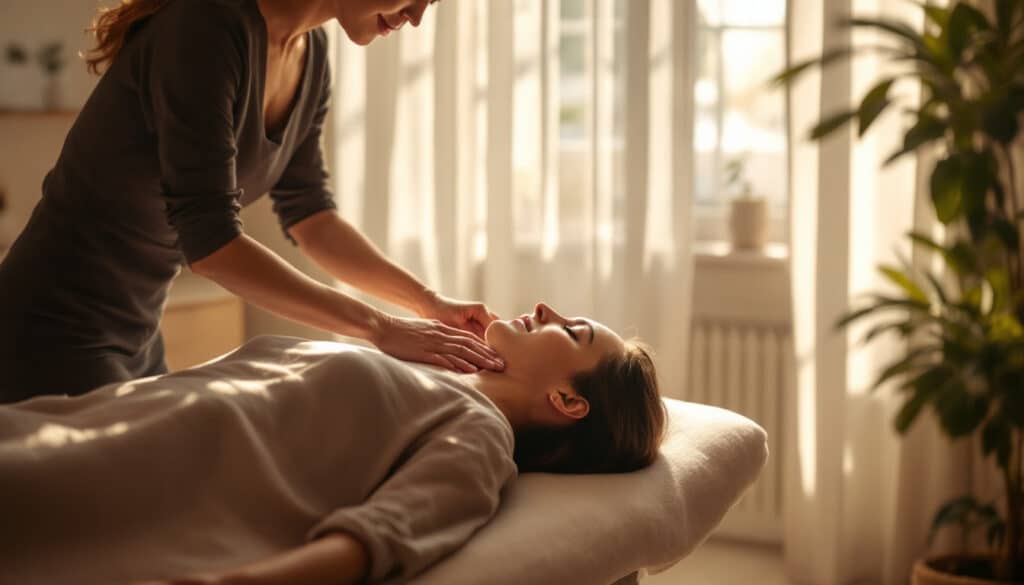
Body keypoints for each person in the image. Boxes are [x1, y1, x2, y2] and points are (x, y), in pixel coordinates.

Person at [0, 0, 504, 404]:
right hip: (48, 330)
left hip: (138, 334)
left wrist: (427, 304)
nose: (417, 15)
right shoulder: (206, 24)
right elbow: (212, 243)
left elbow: (312, 216)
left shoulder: (313, 55)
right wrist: (379, 327)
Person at [0, 303, 667, 585]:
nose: (547, 309)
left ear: (568, 402)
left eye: (574, 331)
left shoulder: (480, 436)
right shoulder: (432, 376)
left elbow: (379, 538)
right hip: (108, 414)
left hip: (137, 473)